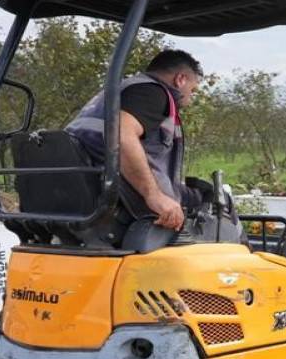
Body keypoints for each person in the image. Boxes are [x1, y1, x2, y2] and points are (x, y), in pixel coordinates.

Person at [65, 50, 202, 231]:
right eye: (192, 90)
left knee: (201, 192)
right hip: (121, 196)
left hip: (86, 185)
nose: (191, 98)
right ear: (180, 79)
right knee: (214, 201)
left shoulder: (119, 90)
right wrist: (154, 195)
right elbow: (120, 134)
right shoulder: (153, 93)